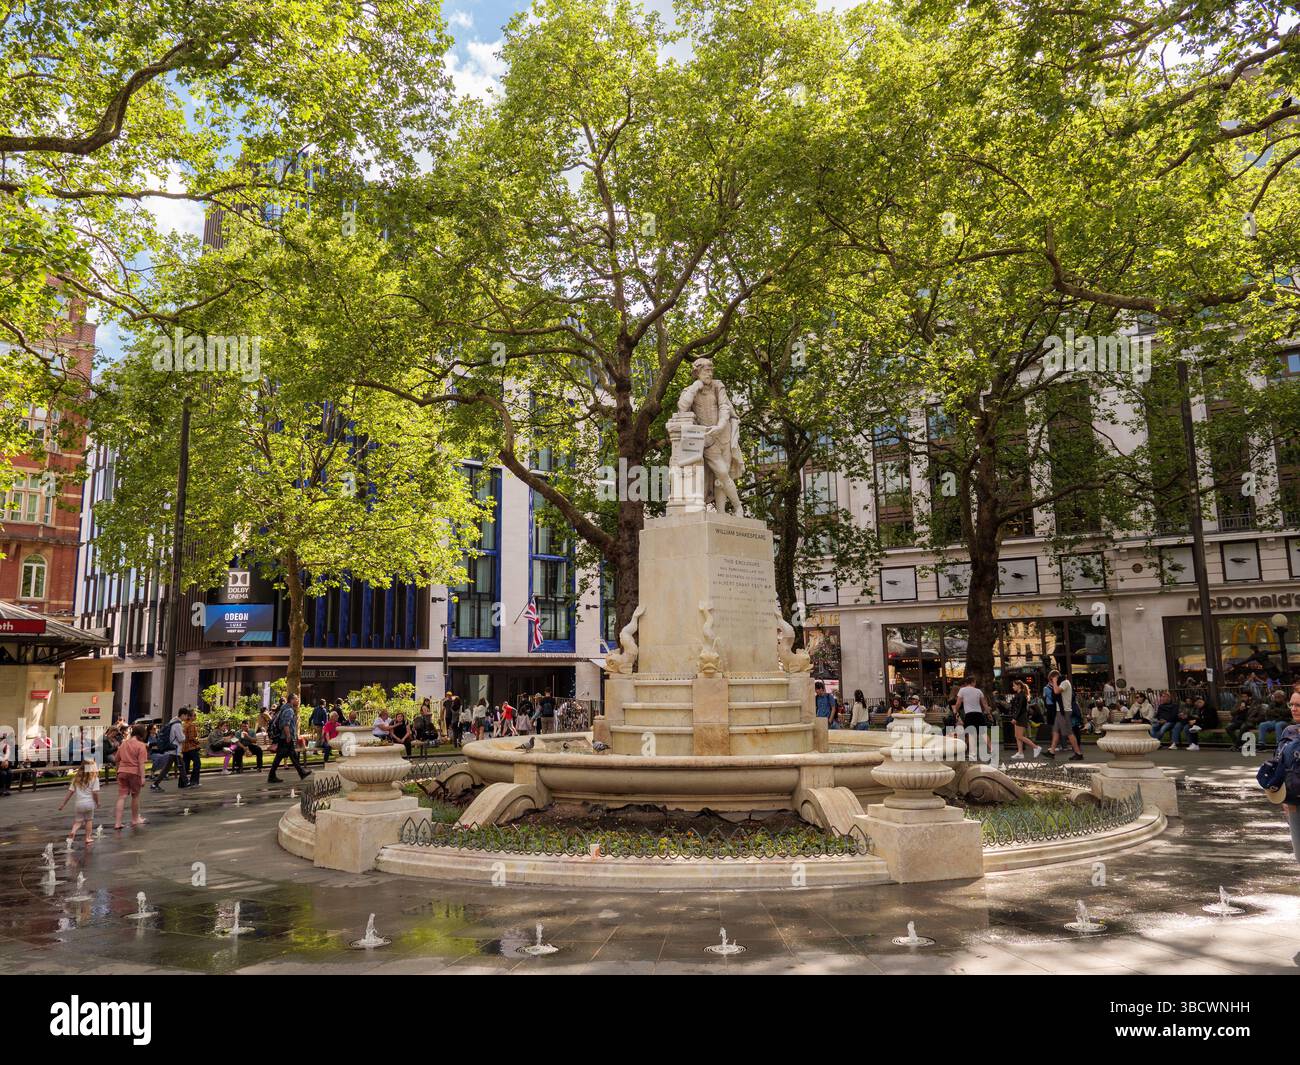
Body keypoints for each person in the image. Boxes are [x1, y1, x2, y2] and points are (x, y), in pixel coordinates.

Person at [1275, 699, 1300, 862]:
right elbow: (1279, 764)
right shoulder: (1289, 731)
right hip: (1294, 798)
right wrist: (1282, 795)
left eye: (1298, 705)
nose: (1294, 709)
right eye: (1291, 704)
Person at [267, 695, 311, 783]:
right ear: (291, 700)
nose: (298, 701)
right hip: (286, 737)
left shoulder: (284, 709)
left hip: (284, 737)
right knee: (280, 756)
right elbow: (285, 724)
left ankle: (301, 772)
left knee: (291, 755)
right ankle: (271, 776)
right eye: (296, 699)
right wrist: (288, 735)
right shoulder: (289, 710)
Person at [113, 724, 149, 829]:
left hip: (122, 772)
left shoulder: (123, 744)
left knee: (121, 797)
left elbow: (116, 759)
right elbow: (141, 763)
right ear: (142, 734)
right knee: (135, 796)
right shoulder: (141, 746)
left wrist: (117, 772)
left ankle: (118, 823)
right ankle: (135, 819)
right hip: (134, 773)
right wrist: (143, 777)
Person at [58, 760, 100, 847]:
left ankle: (73, 832)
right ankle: (88, 838)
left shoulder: (76, 779)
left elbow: (70, 793)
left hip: (78, 804)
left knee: (78, 822)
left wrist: (63, 804)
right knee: (89, 820)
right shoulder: (94, 778)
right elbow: (95, 793)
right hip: (89, 803)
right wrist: (97, 802)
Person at [1045, 671, 1083, 760]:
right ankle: (1052, 752)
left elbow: (1056, 691)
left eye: (1051, 679)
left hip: (1065, 711)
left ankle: (1078, 753)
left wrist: (1054, 682)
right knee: (1055, 731)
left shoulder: (1065, 682)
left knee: (1069, 732)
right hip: (1060, 711)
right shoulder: (1061, 683)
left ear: (1055, 677)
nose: (1051, 682)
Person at [955, 675, 992, 761]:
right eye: (975, 682)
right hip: (979, 714)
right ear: (972, 682)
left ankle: (972, 754)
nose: (975, 684)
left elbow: (958, 703)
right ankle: (991, 749)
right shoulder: (979, 691)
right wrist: (989, 714)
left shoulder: (962, 690)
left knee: (971, 734)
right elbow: (984, 704)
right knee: (983, 733)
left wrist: (955, 711)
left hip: (969, 714)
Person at [150, 712, 187, 791]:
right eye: (186, 715)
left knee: (169, 768)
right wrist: (184, 736)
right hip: (175, 749)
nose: (186, 717)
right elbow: (181, 738)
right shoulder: (177, 725)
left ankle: (155, 784)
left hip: (172, 748)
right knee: (180, 766)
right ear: (183, 715)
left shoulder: (172, 722)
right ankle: (186, 783)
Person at [1008, 679, 1043, 760]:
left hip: (1021, 717)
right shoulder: (1019, 694)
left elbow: (1020, 708)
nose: (1013, 687)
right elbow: (1017, 708)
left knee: (1019, 736)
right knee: (1017, 736)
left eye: (1014, 685)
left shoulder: (1022, 695)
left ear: (1019, 686)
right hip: (1019, 717)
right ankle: (1020, 753)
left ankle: (1036, 747)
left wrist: (1014, 718)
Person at [180, 707, 202, 787]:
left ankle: (182, 783)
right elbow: (191, 738)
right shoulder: (191, 725)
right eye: (194, 715)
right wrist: (198, 741)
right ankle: (194, 781)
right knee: (197, 764)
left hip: (184, 748)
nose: (195, 717)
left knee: (186, 766)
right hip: (191, 748)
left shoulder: (183, 724)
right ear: (189, 716)